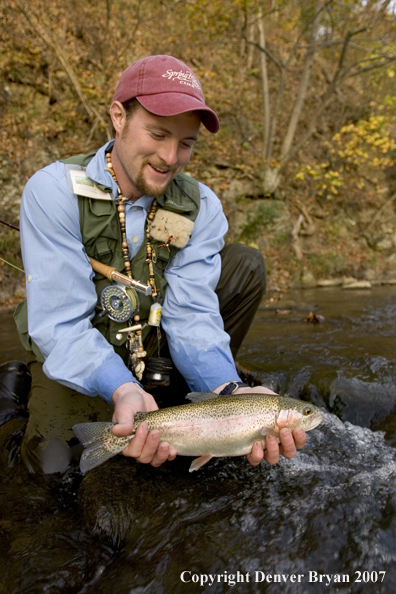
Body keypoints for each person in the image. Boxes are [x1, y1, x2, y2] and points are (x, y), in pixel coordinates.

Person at [15, 55, 306, 474]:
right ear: (118, 116)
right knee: (54, 468)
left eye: (187, 143)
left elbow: (191, 314)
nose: (171, 157)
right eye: (158, 133)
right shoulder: (54, 192)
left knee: (245, 262)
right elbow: (60, 325)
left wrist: (228, 391)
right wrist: (121, 389)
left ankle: (189, 393)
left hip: (153, 339)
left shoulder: (201, 205)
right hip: (78, 347)